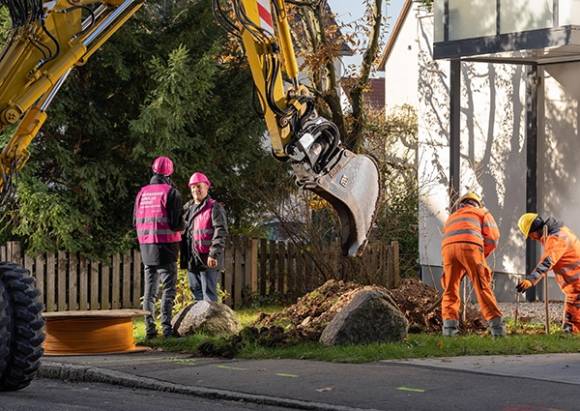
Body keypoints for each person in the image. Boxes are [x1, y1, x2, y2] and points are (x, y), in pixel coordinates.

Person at [440, 192, 504, 336]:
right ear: (477, 204)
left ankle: (449, 331)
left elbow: (450, 239)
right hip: (470, 248)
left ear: (461, 204)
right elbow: (493, 238)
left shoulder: (452, 217)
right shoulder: (482, 213)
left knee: (450, 289)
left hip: (448, 251)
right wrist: (482, 254)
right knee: (482, 287)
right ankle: (497, 330)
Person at [134, 156, 183, 339]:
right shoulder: (172, 193)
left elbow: (134, 221)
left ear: (153, 171)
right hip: (167, 248)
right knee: (168, 290)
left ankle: (150, 330)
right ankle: (167, 329)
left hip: (146, 248)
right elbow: (176, 223)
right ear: (170, 173)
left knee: (149, 292)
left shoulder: (141, 194)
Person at [516, 213, 580, 333]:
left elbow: (547, 262)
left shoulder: (555, 239)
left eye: (530, 235)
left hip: (577, 286)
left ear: (534, 231)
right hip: (574, 288)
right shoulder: (560, 232)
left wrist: (530, 280)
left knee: (572, 325)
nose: (531, 238)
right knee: (571, 322)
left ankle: (570, 336)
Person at [180, 172, 228, 302]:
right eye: (193, 187)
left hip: (207, 258)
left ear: (207, 187)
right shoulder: (187, 209)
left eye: (199, 186)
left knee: (209, 295)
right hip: (191, 258)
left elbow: (221, 231)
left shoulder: (214, 207)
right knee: (196, 293)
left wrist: (213, 254)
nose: (196, 190)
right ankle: (200, 322)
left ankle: (211, 322)